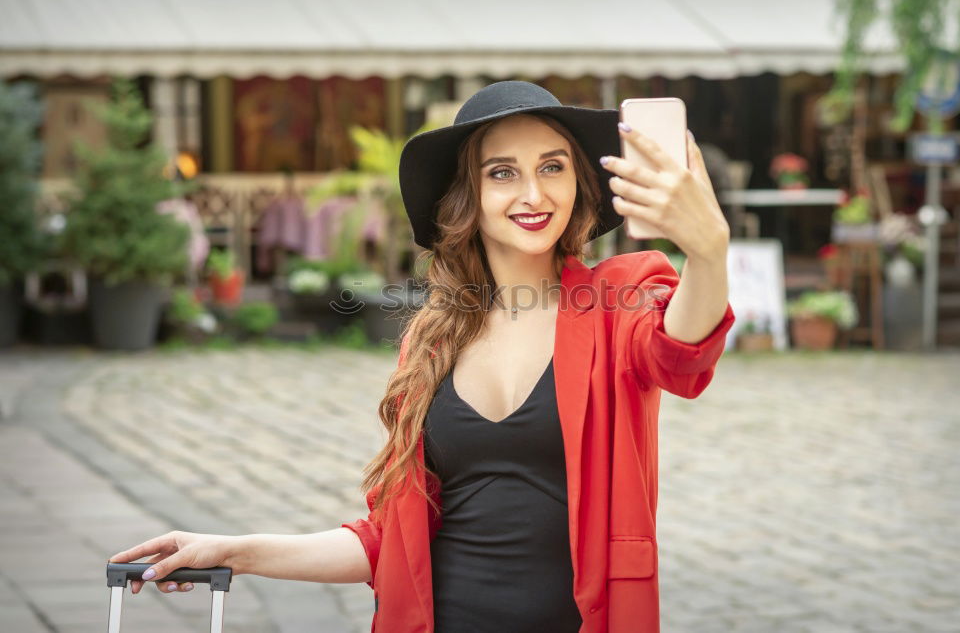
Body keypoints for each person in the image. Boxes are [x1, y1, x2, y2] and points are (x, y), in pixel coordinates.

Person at [108, 81, 736, 632]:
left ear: (578, 183)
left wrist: (709, 252)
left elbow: (683, 350)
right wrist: (234, 550)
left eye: (552, 167)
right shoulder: (431, 342)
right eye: (502, 172)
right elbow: (394, 543)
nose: (532, 192)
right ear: (468, 195)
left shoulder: (616, 302)